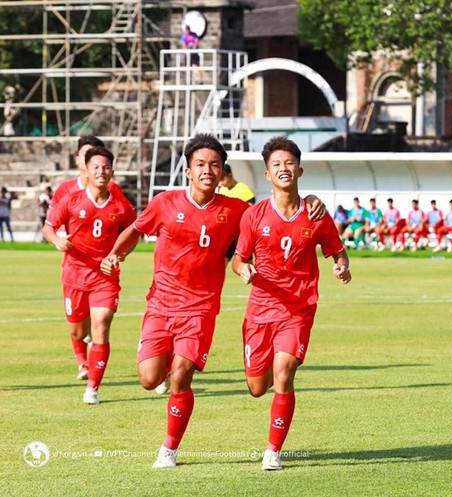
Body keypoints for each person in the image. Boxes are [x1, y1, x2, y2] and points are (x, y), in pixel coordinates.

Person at [100, 133, 325, 469]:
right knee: (149, 379)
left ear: (223, 173)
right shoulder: (165, 203)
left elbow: (277, 211)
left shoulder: (237, 210)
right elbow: (135, 229)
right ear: (188, 171)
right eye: (200, 165)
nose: (208, 170)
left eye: (215, 165)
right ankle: (164, 380)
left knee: (181, 373)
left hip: (201, 308)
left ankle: (169, 450)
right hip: (160, 304)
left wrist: (311, 199)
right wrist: (115, 255)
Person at [232, 136, 351, 471]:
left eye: (288, 164)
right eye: (276, 165)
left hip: (298, 308)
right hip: (260, 310)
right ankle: (263, 378)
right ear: (267, 174)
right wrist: (244, 270)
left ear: (300, 169)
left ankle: (273, 450)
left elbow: (336, 249)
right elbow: (238, 259)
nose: (283, 169)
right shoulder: (253, 216)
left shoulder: (316, 214)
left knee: (284, 374)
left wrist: (341, 265)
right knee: (258, 387)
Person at [43, 146, 136, 405]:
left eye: (105, 167)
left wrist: (119, 255)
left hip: (105, 277)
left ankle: (93, 388)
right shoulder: (71, 200)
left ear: (112, 171)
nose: (101, 172)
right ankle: (82, 358)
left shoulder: (120, 204)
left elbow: (133, 232)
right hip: (74, 276)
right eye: (96, 167)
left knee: (102, 326)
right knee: (76, 331)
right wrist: (57, 241)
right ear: (86, 170)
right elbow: (48, 227)